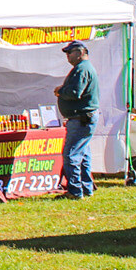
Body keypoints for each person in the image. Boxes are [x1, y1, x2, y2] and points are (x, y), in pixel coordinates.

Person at [54, 41, 99, 200]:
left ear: (80, 53)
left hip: (81, 118)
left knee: (71, 154)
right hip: (84, 118)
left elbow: (75, 92)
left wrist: (61, 91)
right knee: (83, 154)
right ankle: (86, 187)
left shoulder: (81, 69)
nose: (67, 56)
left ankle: (75, 191)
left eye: (69, 52)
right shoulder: (84, 68)